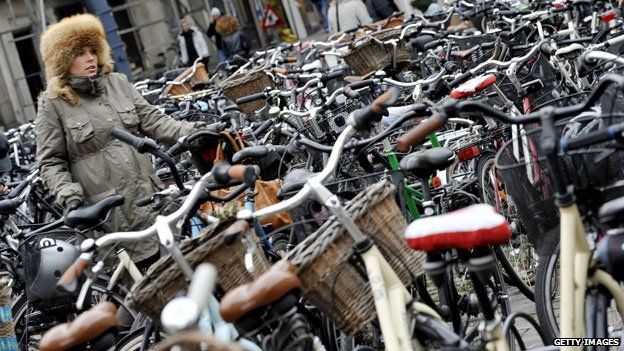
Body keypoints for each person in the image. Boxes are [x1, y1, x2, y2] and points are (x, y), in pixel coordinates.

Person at [35, 13, 206, 265]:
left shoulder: (118, 83)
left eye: (92, 50)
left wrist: (195, 131)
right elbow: (50, 162)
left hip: (149, 201)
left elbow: (155, 121)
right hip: (110, 215)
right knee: (135, 294)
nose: (90, 58)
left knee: (178, 274)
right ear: (63, 61)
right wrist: (70, 195)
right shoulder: (53, 104)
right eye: (79, 53)